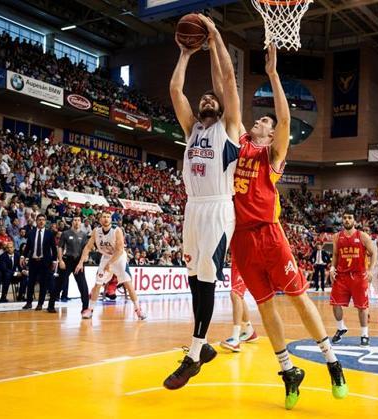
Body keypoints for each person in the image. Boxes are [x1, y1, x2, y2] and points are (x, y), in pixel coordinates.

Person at [228, 41, 348, 409]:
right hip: (240, 239)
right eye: (260, 119)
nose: (261, 120)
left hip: (269, 234)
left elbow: (285, 120)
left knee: (297, 298)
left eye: (265, 121)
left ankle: (331, 361)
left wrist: (273, 74)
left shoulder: (272, 153)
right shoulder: (237, 143)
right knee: (265, 307)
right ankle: (287, 370)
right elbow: (231, 109)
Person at [162, 14, 240, 390]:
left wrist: (216, 37)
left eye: (212, 98)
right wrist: (185, 53)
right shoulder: (192, 128)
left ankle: (193, 354)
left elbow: (226, 80)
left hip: (218, 208)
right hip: (192, 209)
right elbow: (176, 91)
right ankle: (204, 344)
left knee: (206, 281)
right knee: (194, 279)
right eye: (204, 98)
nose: (207, 98)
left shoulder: (230, 128)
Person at [75, 211, 145, 320]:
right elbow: (88, 247)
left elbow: (120, 250)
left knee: (128, 284)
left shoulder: (117, 231)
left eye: (108, 217)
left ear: (111, 219)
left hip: (119, 258)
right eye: (104, 217)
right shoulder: (96, 231)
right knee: (98, 284)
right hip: (106, 257)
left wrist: (110, 263)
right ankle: (90, 310)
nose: (106, 219)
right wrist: (80, 263)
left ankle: (138, 309)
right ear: (100, 219)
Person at [329, 212, 378, 347]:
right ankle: (341, 328)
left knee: (362, 307)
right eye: (344, 217)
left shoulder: (362, 236)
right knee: (335, 304)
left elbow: (374, 253)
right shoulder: (337, 237)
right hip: (342, 276)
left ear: (354, 220)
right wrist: (332, 268)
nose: (347, 220)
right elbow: (335, 255)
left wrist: (370, 270)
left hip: (358, 275)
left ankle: (364, 334)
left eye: (349, 217)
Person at [49, 215, 89, 314]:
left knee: (83, 285)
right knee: (59, 283)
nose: (76, 222)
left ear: (81, 222)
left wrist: (85, 258)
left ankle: (85, 308)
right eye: (75, 220)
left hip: (78, 263)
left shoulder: (84, 235)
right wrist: (61, 260)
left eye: (78, 220)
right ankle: (51, 305)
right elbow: (60, 247)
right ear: (72, 222)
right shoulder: (65, 233)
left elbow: (86, 249)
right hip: (67, 261)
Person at [21, 214, 57, 311]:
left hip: (45, 262)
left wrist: (54, 261)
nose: (41, 221)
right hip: (33, 261)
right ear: (36, 221)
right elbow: (27, 246)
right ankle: (29, 303)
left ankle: (40, 304)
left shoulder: (50, 233)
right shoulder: (31, 232)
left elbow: (54, 249)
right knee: (31, 282)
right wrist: (22, 256)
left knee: (43, 283)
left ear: (45, 222)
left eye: (43, 220)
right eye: (39, 220)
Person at [220, 258, 257, 352]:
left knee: (235, 293)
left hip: (247, 257)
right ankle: (249, 331)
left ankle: (235, 338)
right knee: (239, 294)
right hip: (237, 257)